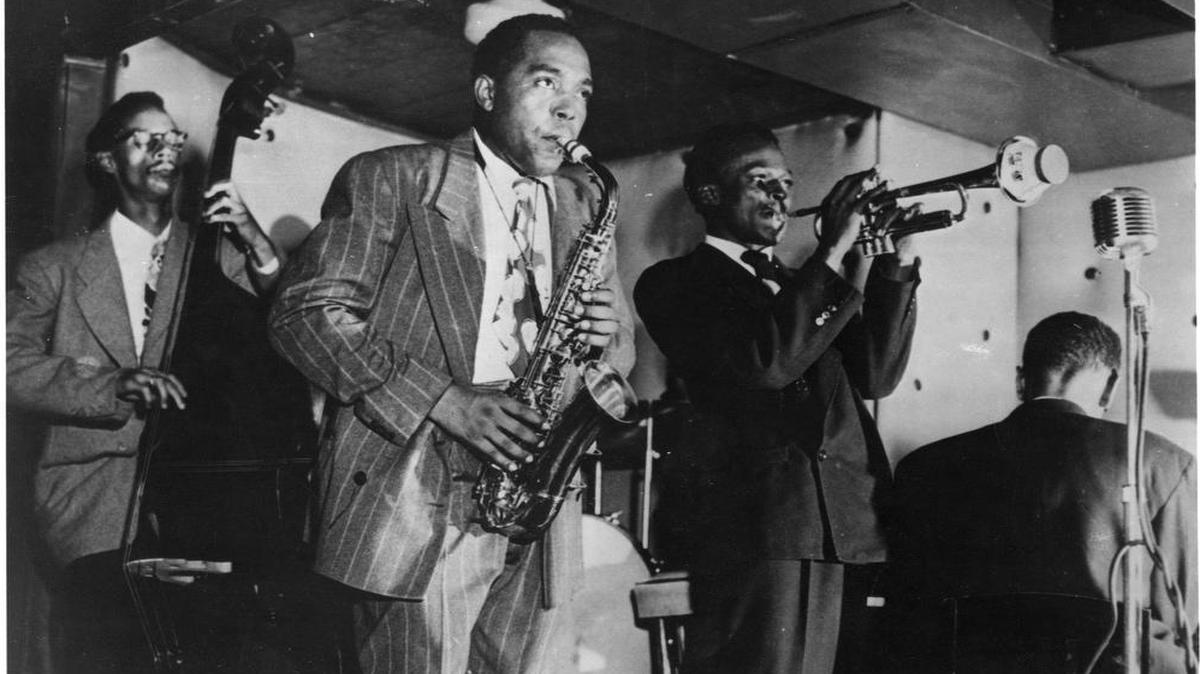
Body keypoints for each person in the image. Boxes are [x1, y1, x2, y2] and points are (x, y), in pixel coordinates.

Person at [268, 14, 635, 674]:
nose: (569, 110)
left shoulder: (586, 203)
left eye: (582, 92)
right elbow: (304, 314)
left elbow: (620, 358)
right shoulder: (395, 177)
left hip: (542, 503)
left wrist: (605, 338)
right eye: (546, 82)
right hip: (418, 498)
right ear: (488, 92)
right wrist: (446, 401)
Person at [6, 91, 284, 672]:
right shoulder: (53, 267)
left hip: (197, 499)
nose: (166, 150)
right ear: (107, 161)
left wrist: (253, 236)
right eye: (146, 139)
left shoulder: (212, 255)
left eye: (173, 139)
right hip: (93, 500)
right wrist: (113, 385)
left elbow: (285, 311)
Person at [633, 122, 922, 673]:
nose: (780, 194)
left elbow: (876, 376)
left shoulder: (806, 284)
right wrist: (832, 250)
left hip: (848, 528)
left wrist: (897, 263)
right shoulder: (674, 283)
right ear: (709, 195)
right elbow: (765, 364)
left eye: (786, 182)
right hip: (761, 529)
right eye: (759, 179)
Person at [886, 311, 1196, 673]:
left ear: (1021, 381)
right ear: (1111, 385)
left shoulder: (926, 466)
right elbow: (1179, 620)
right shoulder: (1165, 464)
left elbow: (909, 615)